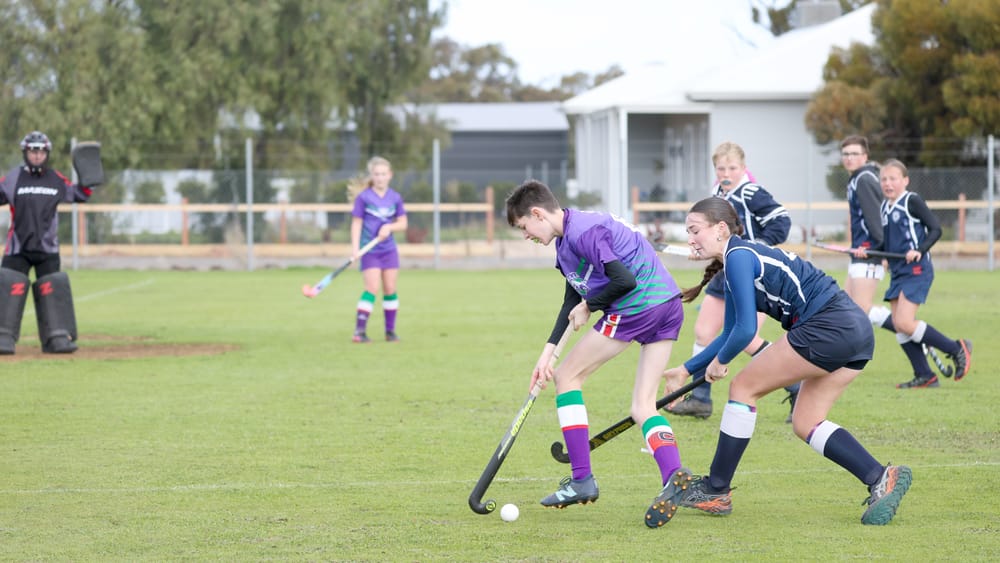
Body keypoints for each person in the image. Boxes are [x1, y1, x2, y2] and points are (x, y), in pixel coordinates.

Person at [665, 196, 912, 526]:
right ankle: (881, 477)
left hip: (828, 326)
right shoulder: (736, 259)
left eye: (695, 230)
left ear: (720, 228)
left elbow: (746, 331)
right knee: (806, 421)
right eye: (688, 232)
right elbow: (731, 331)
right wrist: (685, 370)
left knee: (743, 388)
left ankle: (716, 489)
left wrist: (720, 362)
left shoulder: (739, 257)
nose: (691, 239)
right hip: (855, 331)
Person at [506, 179, 693, 529]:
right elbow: (571, 299)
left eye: (523, 227)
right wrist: (547, 354)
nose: (526, 235)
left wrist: (590, 306)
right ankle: (673, 476)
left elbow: (624, 281)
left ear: (537, 213)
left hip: (638, 306)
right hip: (668, 306)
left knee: (567, 377)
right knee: (643, 406)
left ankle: (581, 479)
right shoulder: (567, 240)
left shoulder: (583, 233)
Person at [667, 142, 799, 422]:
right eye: (720, 168)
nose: (726, 173)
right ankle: (701, 399)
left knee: (747, 338)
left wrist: (754, 248)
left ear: (743, 168)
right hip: (723, 271)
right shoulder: (717, 193)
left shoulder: (751, 192)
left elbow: (781, 222)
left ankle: (795, 385)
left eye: (732, 168)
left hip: (751, 272)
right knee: (703, 331)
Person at [854, 159, 972, 388]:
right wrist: (868, 251)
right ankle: (925, 375)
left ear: (905, 180)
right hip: (898, 272)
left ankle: (956, 348)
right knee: (899, 324)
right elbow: (886, 244)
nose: (888, 183)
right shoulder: (884, 207)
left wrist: (919, 250)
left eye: (893, 179)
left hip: (917, 270)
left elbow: (935, 229)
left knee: (905, 322)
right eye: (884, 179)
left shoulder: (912, 201)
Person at [0, 131, 94, 355]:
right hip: (18, 249)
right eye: (33, 151)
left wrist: (88, 180)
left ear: (47, 154)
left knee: (52, 292)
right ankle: (3, 336)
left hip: (47, 249)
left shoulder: (55, 179)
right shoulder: (13, 178)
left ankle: (56, 338)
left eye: (41, 151)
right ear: (25, 152)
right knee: (7, 290)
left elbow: (79, 195)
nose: (37, 155)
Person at [840, 135, 898, 335]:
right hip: (860, 253)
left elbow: (876, 220)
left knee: (861, 308)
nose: (849, 158)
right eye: (846, 154)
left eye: (855, 154)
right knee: (845, 309)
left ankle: (914, 333)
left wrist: (879, 251)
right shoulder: (856, 178)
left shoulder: (864, 179)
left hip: (869, 254)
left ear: (865, 156)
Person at [348, 156, 407, 343]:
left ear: (390, 175)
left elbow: (403, 223)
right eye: (376, 174)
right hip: (370, 250)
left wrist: (389, 227)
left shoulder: (395, 198)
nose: (380, 178)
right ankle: (359, 332)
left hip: (389, 250)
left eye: (383, 174)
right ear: (372, 176)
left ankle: (390, 332)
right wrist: (355, 249)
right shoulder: (364, 198)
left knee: (390, 289)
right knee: (372, 288)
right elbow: (356, 224)